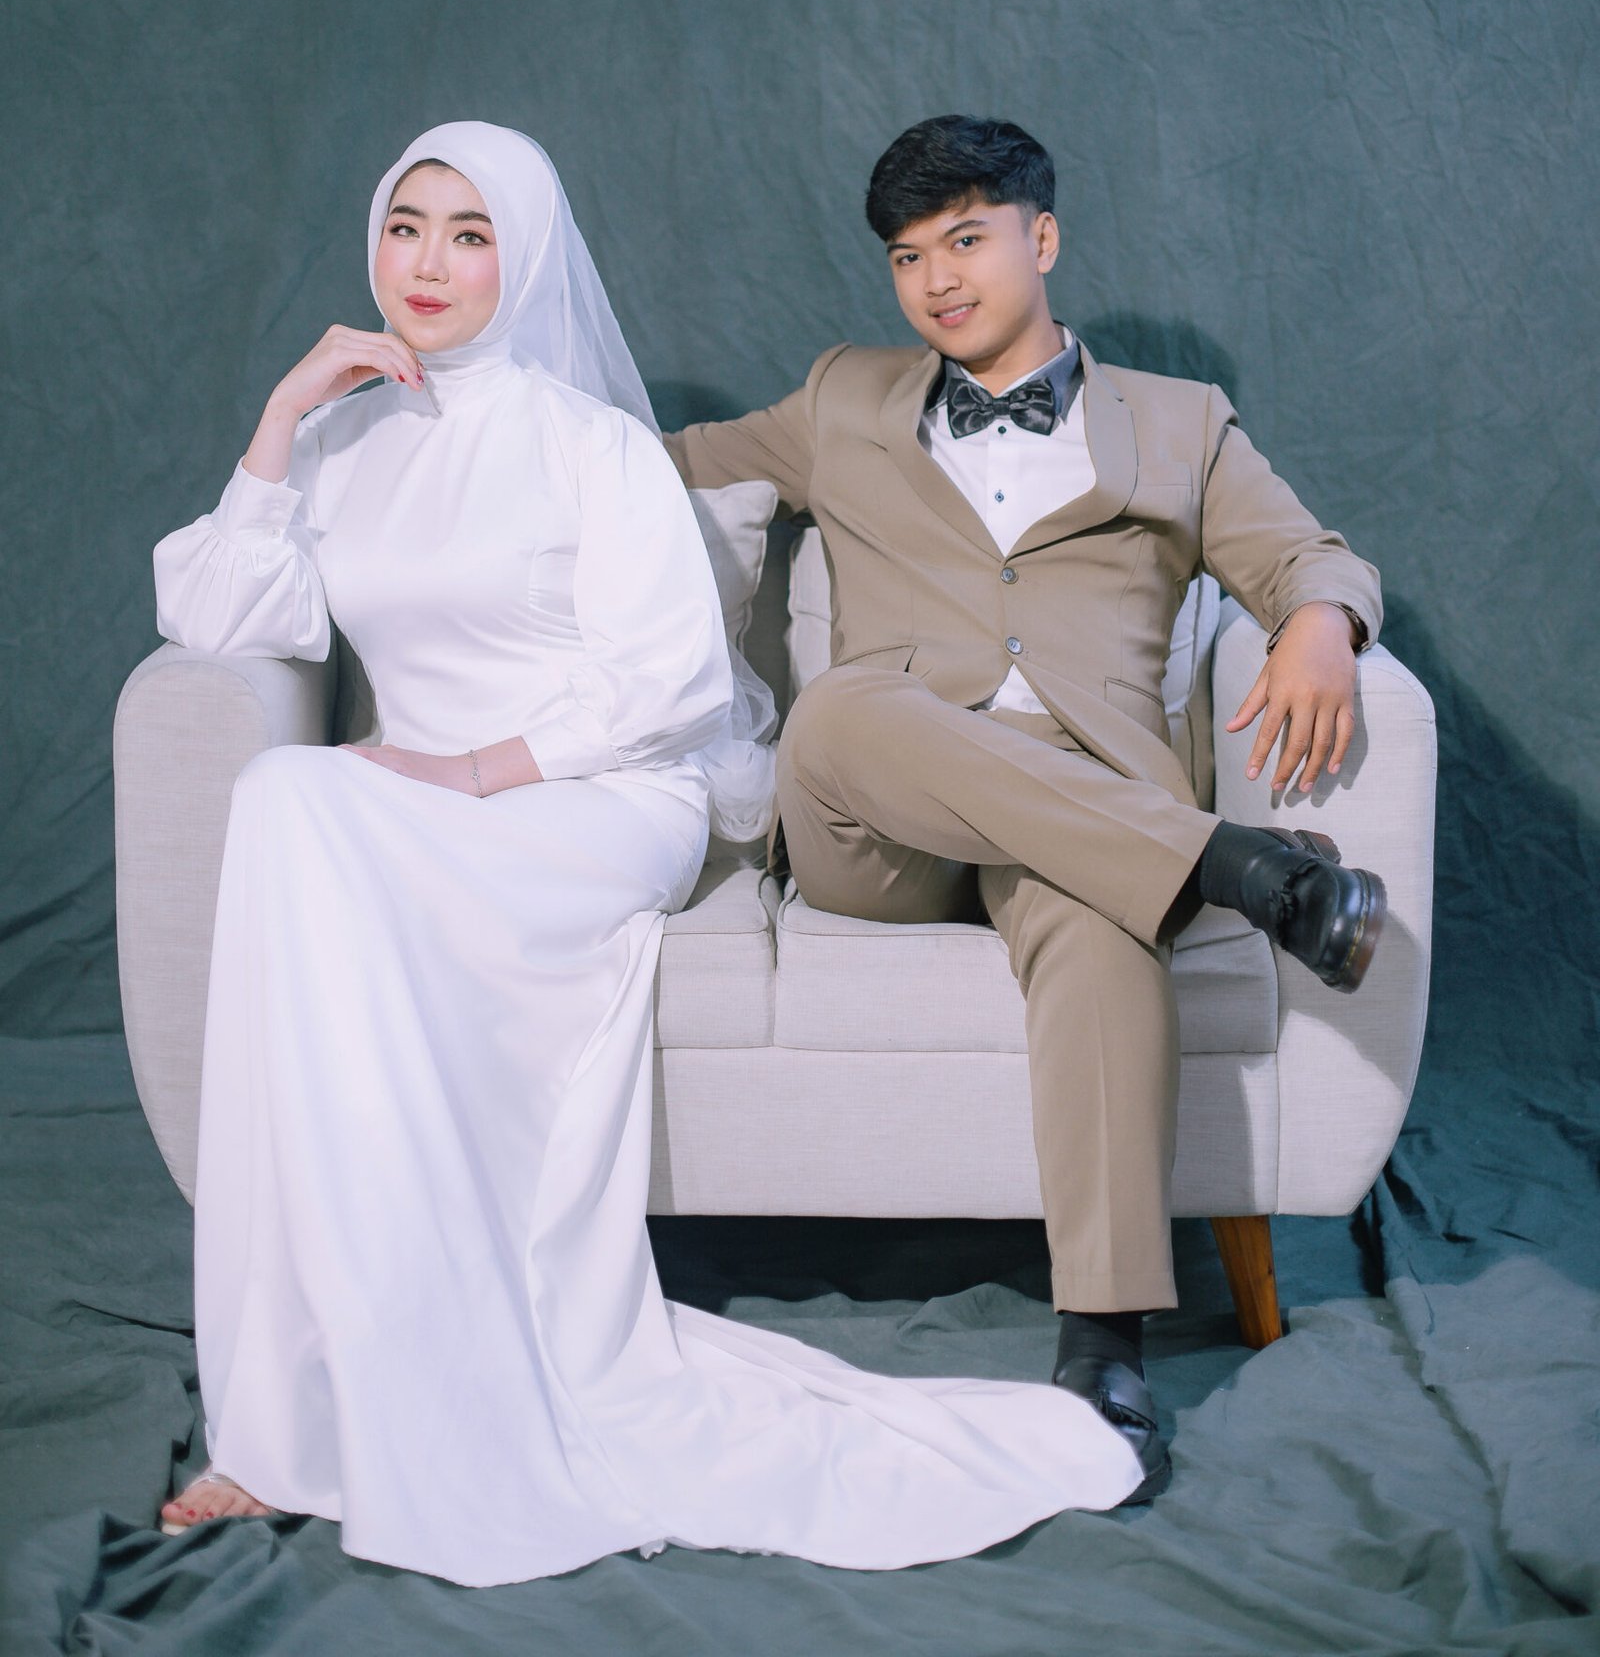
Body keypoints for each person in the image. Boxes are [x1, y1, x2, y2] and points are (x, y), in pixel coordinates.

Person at [149, 120, 1148, 1588]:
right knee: (289, 804)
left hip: (596, 797)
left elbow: (669, 687)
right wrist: (282, 416)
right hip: (405, 809)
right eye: (408, 227)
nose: (430, 263)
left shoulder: (588, 445)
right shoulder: (345, 445)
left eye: (473, 235)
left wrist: (469, 772)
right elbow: (217, 619)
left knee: (306, 804)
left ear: (527, 258)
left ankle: (356, 1390)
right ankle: (287, 1413)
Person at [665, 113, 1386, 1492]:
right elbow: (652, 467)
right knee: (845, 708)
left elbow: (1313, 556)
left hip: (1082, 806)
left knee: (1105, 914)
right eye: (907, 257)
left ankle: (1103, 1344)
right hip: (876, 815)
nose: (937, 280)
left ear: (1041, 238)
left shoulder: (1179, 421)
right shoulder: (840, 399)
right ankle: (1247, 872)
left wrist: (1319, 626)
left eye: (966, 240)